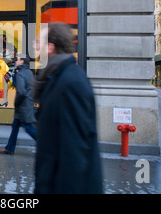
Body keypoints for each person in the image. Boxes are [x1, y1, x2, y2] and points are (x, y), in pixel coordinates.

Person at [33, 22, 103, 194]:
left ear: (50, 47)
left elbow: (74, 156)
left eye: (37, 42)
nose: (34, 46)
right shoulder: (56, 78)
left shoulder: (70, 83)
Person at [0, 55, 37, 155]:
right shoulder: (29, 73)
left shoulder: (21, 74)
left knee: (29, 128)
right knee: (15, 127)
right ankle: (9, 148)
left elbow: (21, 92)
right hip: (26, 104)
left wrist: (16, 103)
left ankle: (46, 145)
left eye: (18, 59)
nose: (16, 60)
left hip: (22, 106)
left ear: (22, 61)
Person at [0, 34, 17, 107]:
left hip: (15, 68)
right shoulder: (0, 50)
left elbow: (15, 56)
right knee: (5, 79)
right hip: (12, 68)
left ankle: (9, 100)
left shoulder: (9, 47)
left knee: (17, 84)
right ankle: (5, 99)